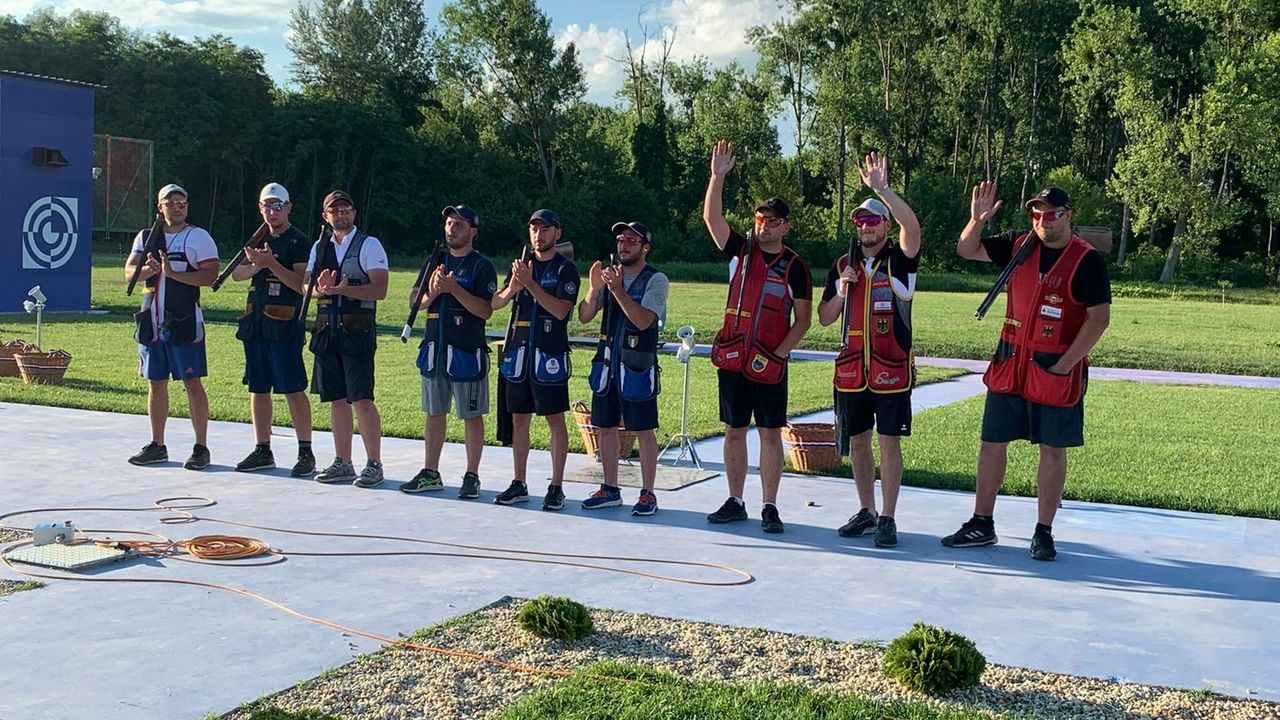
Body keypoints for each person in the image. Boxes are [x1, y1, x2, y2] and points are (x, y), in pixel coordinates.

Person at [943, 184, 1111, 561]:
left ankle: (1044, 531)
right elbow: (967, 249)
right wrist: (976, 220)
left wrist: (1064, 366)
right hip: (1009, 365)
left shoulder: (1086, 260)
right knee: (991, 443)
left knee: (1052, 450)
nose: (1042, 221)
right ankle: (981, 523)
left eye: (1051, 214)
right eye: (1036, 214)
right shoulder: (1018, 244)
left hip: (1054, 369)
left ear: (1068, 215)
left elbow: (1099, 319)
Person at [702, 140, 813, 534]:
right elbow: (713, 222)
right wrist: (717, 178)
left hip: (769, 362)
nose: (763, 224)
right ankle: (735, 500)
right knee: (734, 430)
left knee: (769, 433)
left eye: (771, 220)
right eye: (759, 217)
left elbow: (803, 320)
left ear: (785, 225)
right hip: (734, 356)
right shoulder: (741, 251)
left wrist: (778, 356)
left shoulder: (796, 266)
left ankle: (769, 505)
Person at [816, 153, 922, 548]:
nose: (865, 227)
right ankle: (866, 510)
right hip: (851, 371)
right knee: (858, 439)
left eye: (872, 220)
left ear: (885, 226)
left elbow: (912, 227)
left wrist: (882, 190)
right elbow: (825, 318)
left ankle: (889, 517)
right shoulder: (843, 263)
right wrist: (842, 290)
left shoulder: (900, 261)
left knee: (888, 441)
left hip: (890, 368)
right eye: (859, 221)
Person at [399, 205, 497, 497]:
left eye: (459, 224)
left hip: (466, 351)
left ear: (472, 231)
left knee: (471, 415)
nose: (452, 229)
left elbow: (485, 309)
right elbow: (415, 300)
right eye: (449, 223)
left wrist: (454, 290)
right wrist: (435, 291)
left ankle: (472, 475)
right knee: (434, 412)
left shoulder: (481, 265)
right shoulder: (435, 260)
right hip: (435, 349)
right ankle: (430, 471)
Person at [577, 221, 670, 515]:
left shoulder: (656, 280)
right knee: (605, 427)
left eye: (632, 240)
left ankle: (648, 493)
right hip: (606, 364)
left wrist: (616, 290)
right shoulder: (608, 278)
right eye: (621, 238)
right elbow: (584, 316)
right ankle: (610, 488)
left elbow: (643, 321)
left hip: (636, 366)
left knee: (643, 429)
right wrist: (594, 290)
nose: (624, 244)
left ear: (645, 248)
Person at [125, 184, 220, 470]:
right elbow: (129, 271)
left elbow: (210, 276)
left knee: (192, 382)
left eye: (182, 202)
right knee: (155, 382)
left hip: (184, 319)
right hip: (150, 320)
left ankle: (201, 447)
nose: (177, 207)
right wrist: (149, 271)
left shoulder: (198, 236)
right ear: (160, 207)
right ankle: (157, 444)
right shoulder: (146, 237)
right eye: (171, 203)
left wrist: (174, 273)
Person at [491, 209, 580, 511]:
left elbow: (560, 311)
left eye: (545, 229)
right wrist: (515, 286)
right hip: (519, 353)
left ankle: (556, 485)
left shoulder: (565, 269)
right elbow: (496, 303)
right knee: (518, 419)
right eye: (534, 229)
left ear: (557, 233)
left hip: (549, 353)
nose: (538, 234)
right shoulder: (521, 267)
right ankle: (519, 482)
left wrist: (529, 284)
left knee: (555, 419)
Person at [305, 190, 391, 488]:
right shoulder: (320, 246)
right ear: (325, 216)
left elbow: (379, 289)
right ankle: (343, 462)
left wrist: (343, 290)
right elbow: (308, 289)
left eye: (346, 210)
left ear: (354, 213)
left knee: (362, 399)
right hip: (327, 331)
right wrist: (321, 288)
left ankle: (374, 463)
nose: (341, 215)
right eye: (335, 210)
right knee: (336, 399)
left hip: (358, 330)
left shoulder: (369, 245)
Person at [228, 182, 315, 476]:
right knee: (258, 387)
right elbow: (236, 273)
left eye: (278, 206)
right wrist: (258, 265)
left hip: (285, 322)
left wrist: (270, 264)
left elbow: (302, 284)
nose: (273, 212)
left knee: (292, 388)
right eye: (268, 206)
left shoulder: (298, 241)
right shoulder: (258, 237)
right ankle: (262, 448)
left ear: (288, 207)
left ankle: (306, 451)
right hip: (256, 322)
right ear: (261, 208)